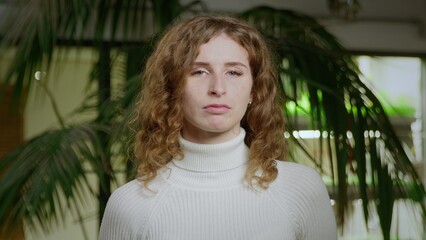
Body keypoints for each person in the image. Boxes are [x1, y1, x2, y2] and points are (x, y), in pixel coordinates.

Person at [99, 15, 337, 240]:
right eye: (199, 71)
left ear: (254, 91)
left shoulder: (301, 189)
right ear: (172, 88)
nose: (218, 88)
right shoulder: (130, 205)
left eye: (233, 72)